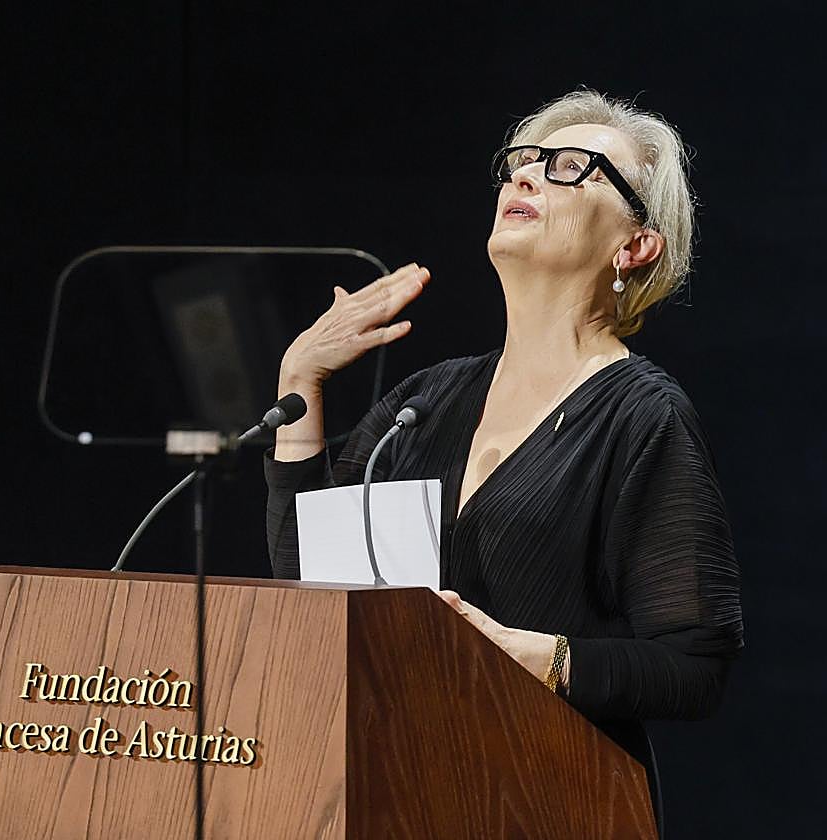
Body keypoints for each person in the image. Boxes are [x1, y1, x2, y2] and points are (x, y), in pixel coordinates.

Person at [262, 89, 744, 830]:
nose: (526, 176)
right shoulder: (426, 400)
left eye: (571, 167)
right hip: (395, 790)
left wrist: (531, 656)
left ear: (635, 245)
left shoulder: (642, 416)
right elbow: (310, 582)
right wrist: (300, 383)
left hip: (546, 799)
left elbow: (694, 667)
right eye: (523, 161)